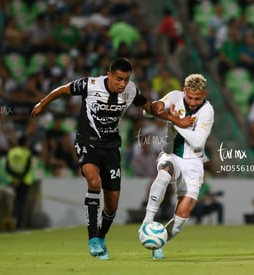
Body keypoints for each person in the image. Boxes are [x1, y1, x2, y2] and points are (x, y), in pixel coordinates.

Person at [31, 58, 194, 260]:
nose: (122, 84)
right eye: (119, 79)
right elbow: (63, 89)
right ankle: (92, 240)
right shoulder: (90, 85)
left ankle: (101, 237)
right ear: (109, 75)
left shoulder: (131, 91)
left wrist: (177, 120)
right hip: (87, 142)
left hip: (111, 147)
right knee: (94, 181)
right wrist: (42, 104)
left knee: (113, 204)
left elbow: (151, 108)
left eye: (126, 79)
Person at [140, 74, 214, 260]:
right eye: (190, 97)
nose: (193, 102)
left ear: (204, 94)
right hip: (171, 154)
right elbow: (147, 112)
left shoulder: (207, 111)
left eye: (198, 98)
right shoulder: (174, 96)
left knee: (182, 216)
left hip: (194, 163)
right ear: (184, 91)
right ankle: (146, 223)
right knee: (164, 174)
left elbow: (197, 141)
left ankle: (159, 241)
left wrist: (173, 120)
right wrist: (158, 109)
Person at [6, 135, 34, 229]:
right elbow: (27, 168)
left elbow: (7, 167)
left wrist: (15, 179)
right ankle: (19, 225)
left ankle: (12, 220)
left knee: (13, 201)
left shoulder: (11, 152)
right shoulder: (27, 153)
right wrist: (19, 179)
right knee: (21, 203)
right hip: (24, 181)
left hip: (12, 182)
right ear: (25, 143)